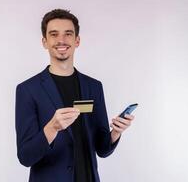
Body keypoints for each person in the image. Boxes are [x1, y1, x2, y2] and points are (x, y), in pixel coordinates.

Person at [15, 9, 134, 182]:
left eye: (68, 34)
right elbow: (25, 157)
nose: (61, 40)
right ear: (44, 42)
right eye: (54, 34)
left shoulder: (93, 87)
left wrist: (115, 132)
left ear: (77, 41)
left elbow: (102, 149)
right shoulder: (27, 90)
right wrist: (52, 128)